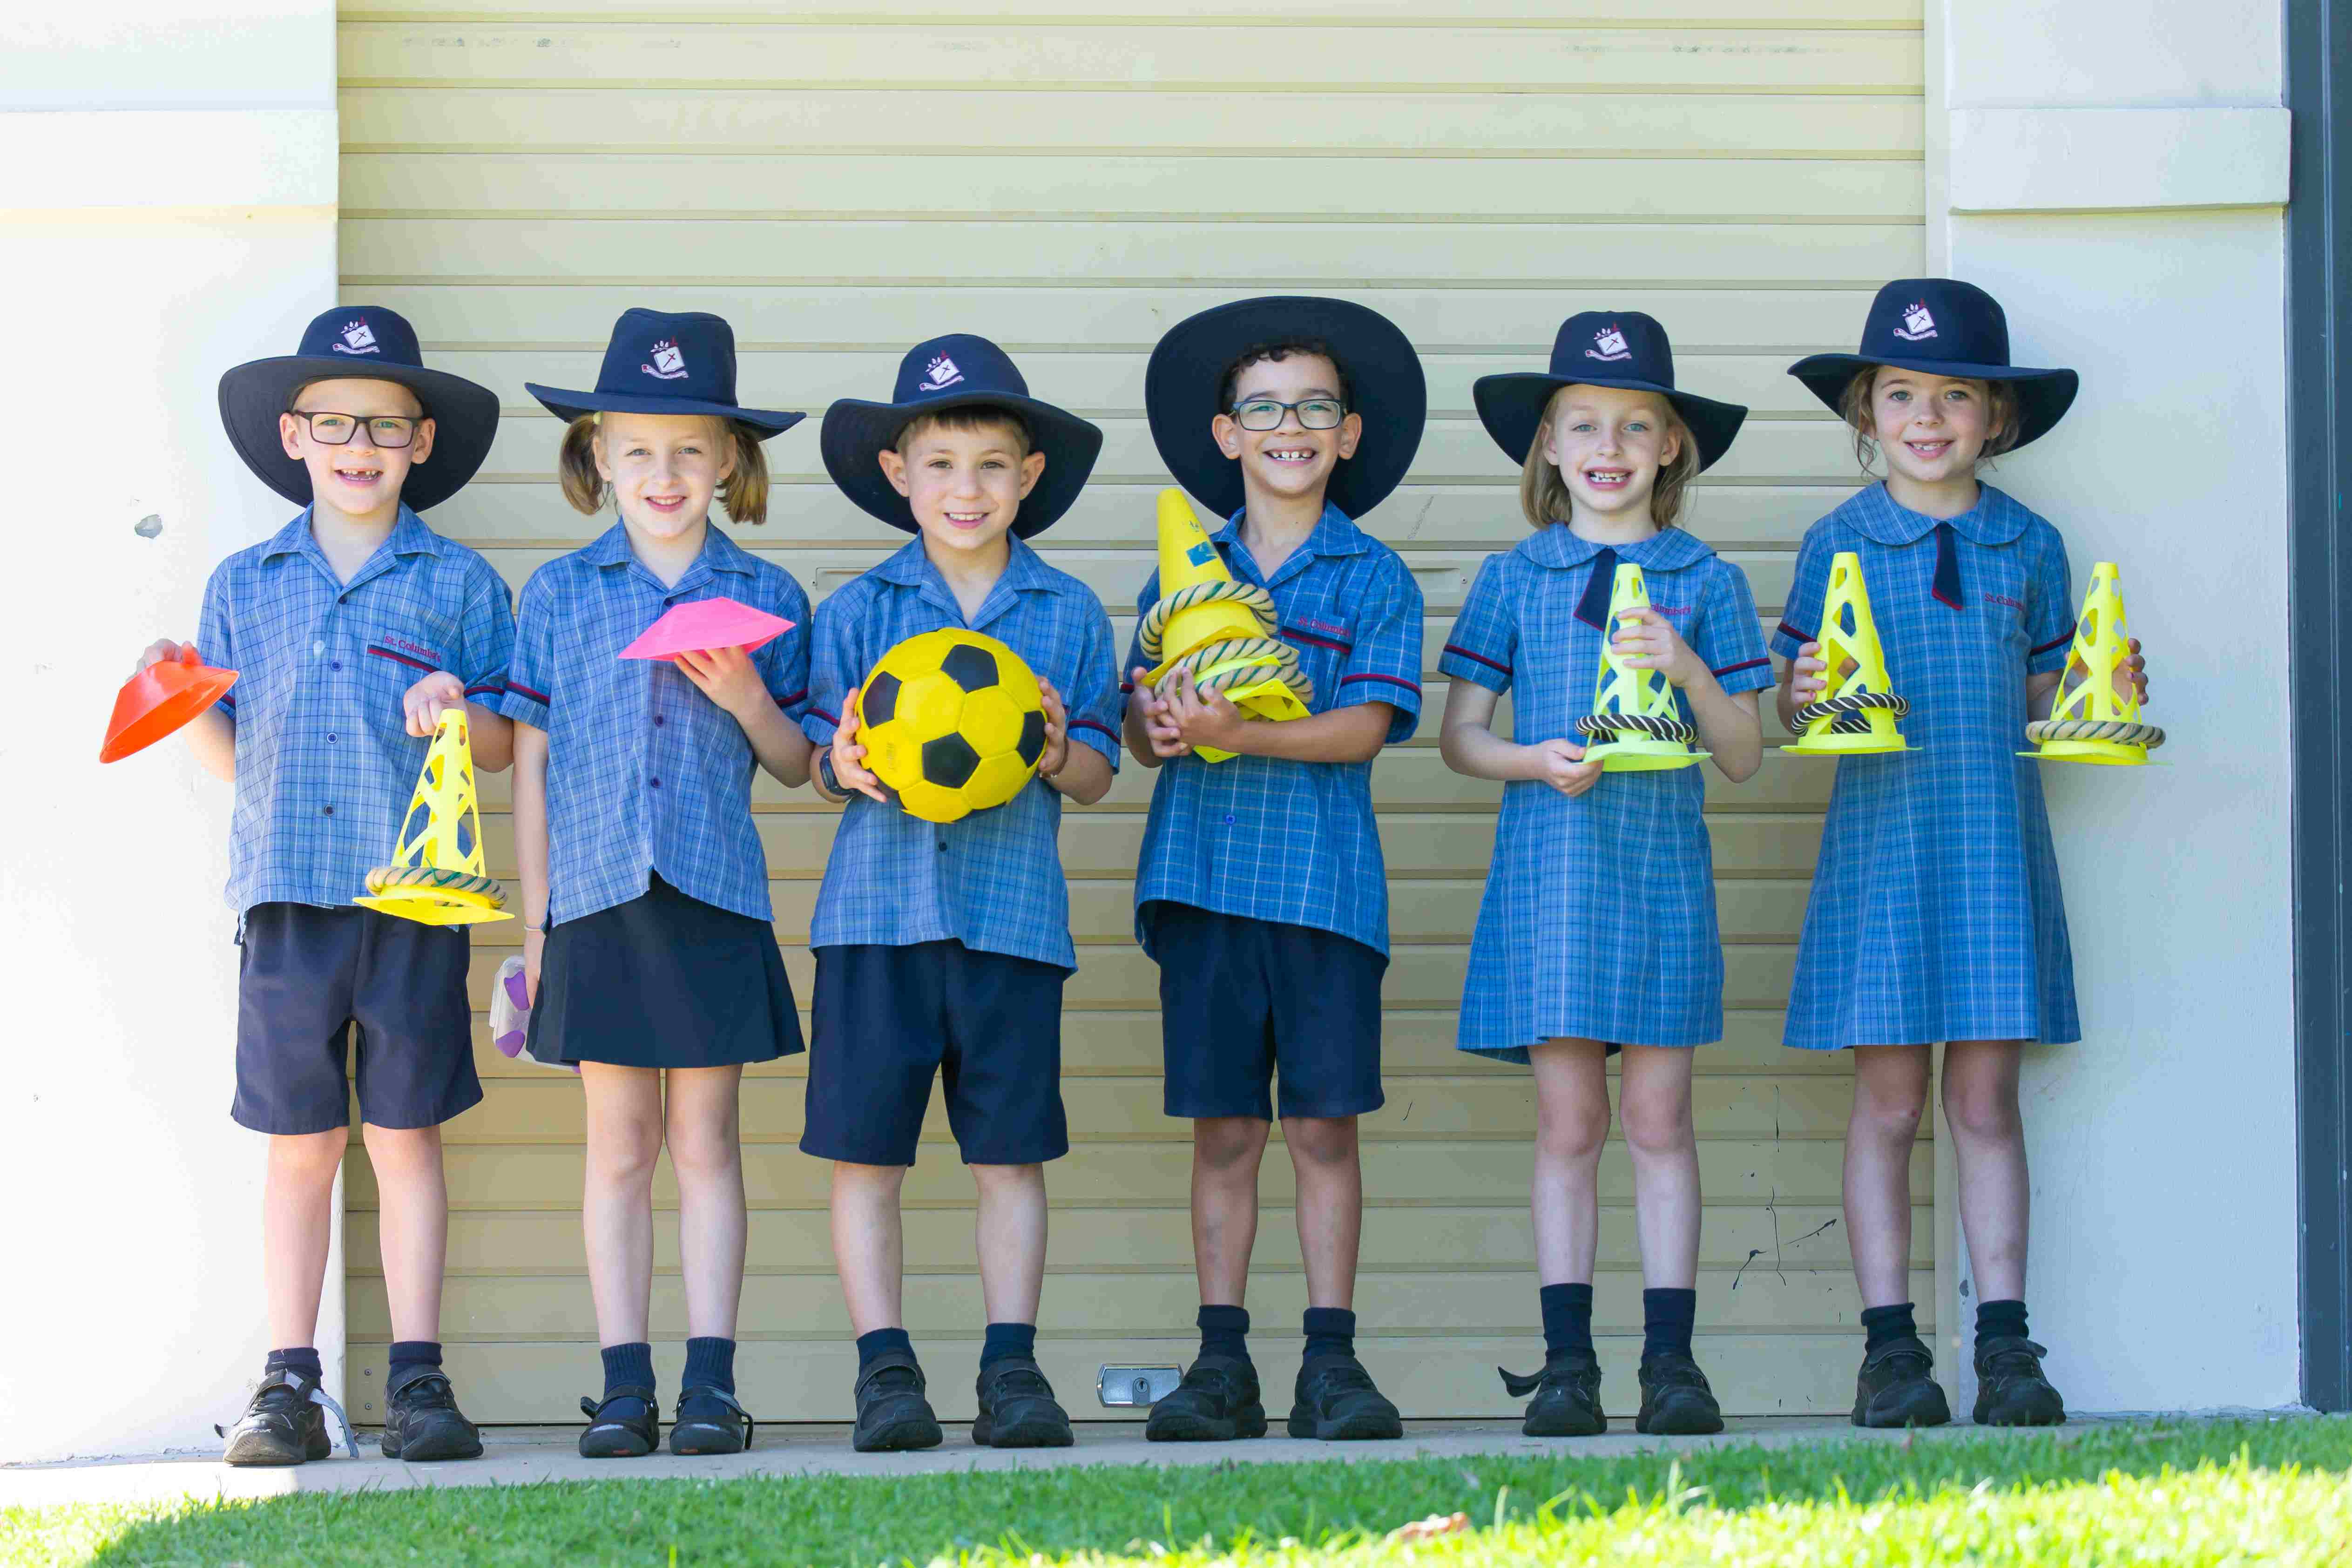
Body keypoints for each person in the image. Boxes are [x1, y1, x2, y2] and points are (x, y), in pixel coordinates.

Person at [138, 305, 512, 1465]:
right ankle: (288, 1384)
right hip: (288, 897)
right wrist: (178, 709)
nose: (361, 444)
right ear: (295, 436)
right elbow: (235, 751)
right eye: (336, 423)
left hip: (413, 899)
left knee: (405, 1137)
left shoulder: (458, 583)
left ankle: (418, 1380)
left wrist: (460, 704)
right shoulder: (245, 585)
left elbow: (502, 744)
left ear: (422, 444)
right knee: (299, 1143)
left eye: (387, 426)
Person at [1774, 278, 2146, 1427]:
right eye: (1901, 394)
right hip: (1882, 847)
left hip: (1992, 840)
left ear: (1998, 419)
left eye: (1954, 396)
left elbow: (2053, 692)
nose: (1926, 417)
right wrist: (1797, 693)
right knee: (1889, 1103)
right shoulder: (1837, 538)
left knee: (1984, 1100)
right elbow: (1802, 708)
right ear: (1866, 415)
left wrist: (2103, 690)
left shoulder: (2028, 542)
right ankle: (1891, 1349)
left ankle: (2004, 1344)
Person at [1438, 311, 1771, 1437]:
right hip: (1552, 875)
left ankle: (1671, 1364)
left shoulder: (1705, 579)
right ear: (1547, 445)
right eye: (1583, 424)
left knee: (1662, 1120)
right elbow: (1461, 737)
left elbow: (1740, 754)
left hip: (1660, 876)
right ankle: (1569, 1361)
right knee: (1569, 1124)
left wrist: (1682, 662)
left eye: (1636, 424)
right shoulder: (1513, 576)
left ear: (1672, 445)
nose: (1609, 444)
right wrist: (1534, 760)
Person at [503, 309, 814, 1457]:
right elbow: (529, 762)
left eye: (691, 448)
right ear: (596, 457)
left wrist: (746, 698)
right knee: (618, 1146)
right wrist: (537, 930)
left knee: (707, 1144)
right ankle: (625, 1381)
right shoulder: (558, 593)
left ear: (731, 458)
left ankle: (710, 1385)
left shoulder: (768, 587)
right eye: (635, 448)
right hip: (591, 898)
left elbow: (803, 765)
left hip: (714, 895)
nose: (664, 473)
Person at [803, 335, 1121, 1452]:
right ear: (899, 474)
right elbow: (813, 758)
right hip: (875, 918)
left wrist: (1050, 750)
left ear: (1028, 476)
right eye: (940, 465)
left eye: (991, 465)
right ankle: (885, 1372)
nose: (966, 489)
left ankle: (1011, 1368)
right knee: (866, 1154)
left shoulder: (1069, 612)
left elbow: (1097, 772)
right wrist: (840, 762)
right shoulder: (853, 613)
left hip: (1013, 921)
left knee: (1010, 1156)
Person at [1124, 297, 1426, 1442]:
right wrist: (1156, 723)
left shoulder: (1373, 576)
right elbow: (1145, 711)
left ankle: (1332, 1364)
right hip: (1200, 880)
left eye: (1312, 408)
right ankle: (1221, 1363)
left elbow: (1364, 728)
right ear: (1226, 434)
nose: (1288, 426)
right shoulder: (1180, 575)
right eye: (1264, 408)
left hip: (1323, 891)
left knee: (1324, 1128)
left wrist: (1238, 733)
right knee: (1223, 1132)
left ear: (1346, 434)